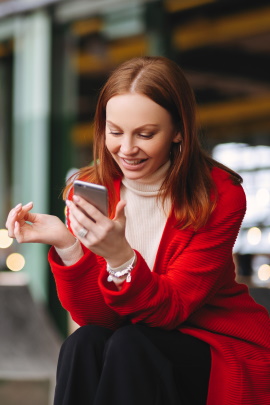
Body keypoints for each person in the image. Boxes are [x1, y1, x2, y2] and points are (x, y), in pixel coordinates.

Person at [6, 56, 270, 405]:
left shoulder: (219, 195)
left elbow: (169, 310)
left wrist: (119, 257)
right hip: (133, 345)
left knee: (132, 343)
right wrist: (68, 244)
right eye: (115, 132)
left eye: (145, 134)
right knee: (83, 342)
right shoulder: (89, 188)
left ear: (179, 131)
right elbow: (98, 318)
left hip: (212, 342)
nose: (126, 149)